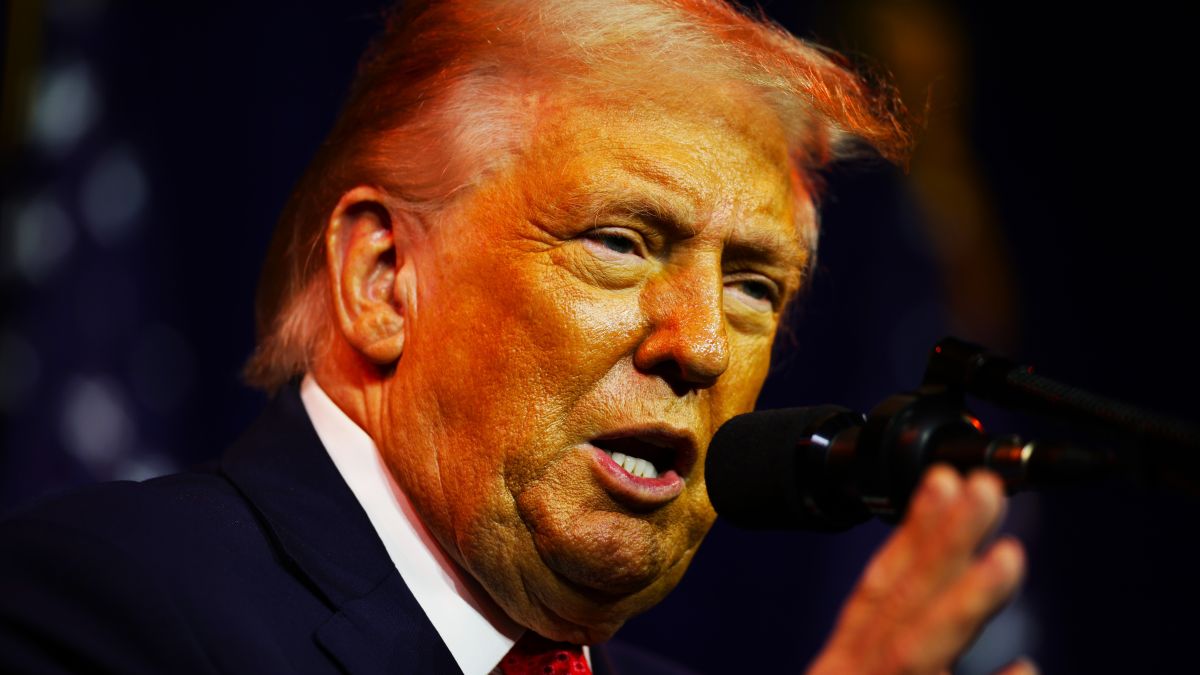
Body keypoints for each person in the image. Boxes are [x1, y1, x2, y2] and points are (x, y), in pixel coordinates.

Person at [0, 1, 1031, 673]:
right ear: (382, 279)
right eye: (621, 242)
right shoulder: (102, 603)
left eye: (755, 285)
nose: (704, 344)